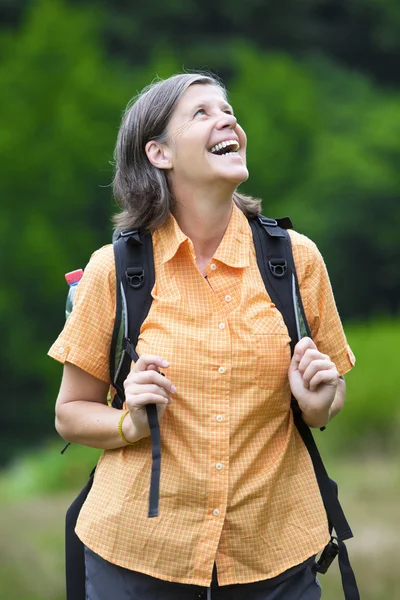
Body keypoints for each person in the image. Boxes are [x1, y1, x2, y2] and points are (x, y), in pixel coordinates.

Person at [49, 72, 355, 600]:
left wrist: (320, 402)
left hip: (275, 559)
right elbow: (70, 413)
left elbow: (329, 397)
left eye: (229, 109)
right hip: (138, 559)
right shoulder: (115, 270)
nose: (228, 118)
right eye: (202, 113)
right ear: (159, 154)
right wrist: (129, 423)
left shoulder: (295, 260)